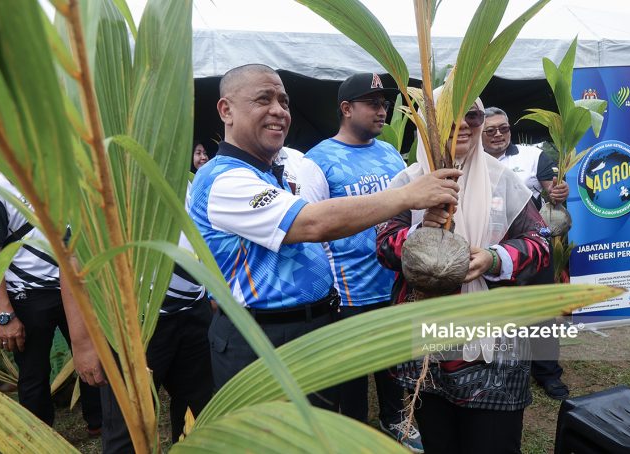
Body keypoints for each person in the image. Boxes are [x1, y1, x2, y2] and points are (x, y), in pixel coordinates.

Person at [188, 64, 462, 401]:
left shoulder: (283, 164)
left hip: (314, 324)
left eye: (284, 102)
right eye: (263, 99)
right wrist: (407, 195)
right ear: (226, 110)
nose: (279, 110)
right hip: (263, 336)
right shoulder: (223, 179)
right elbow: (312, 223)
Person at [377, 94, 551, 454]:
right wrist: (420, 233)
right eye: (448, 115)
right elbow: (384, 246)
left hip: (494, 343)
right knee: (440, 442)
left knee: (494, 443)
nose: (463, 124)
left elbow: (539, 243)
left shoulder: (503, 179)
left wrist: (493, 258)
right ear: (429, 123)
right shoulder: (408, 182)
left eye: (472, 115)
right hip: (428, 339)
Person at [297, 73, 422, 452]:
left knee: (395, 365)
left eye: (384, 103)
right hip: (347, 290)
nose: (382, 110)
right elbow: (310, 227)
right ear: (346, 108)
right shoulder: (317, 160)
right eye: (373, 103)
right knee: (349, 380)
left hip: (394, 281)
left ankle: (396, 419)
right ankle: (351, 435)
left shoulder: (387, 152)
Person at [0, 169, 102, 433]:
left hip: (73, 285)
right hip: (27, 296)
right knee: (33, 372)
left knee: (93, 351)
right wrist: (5, 316)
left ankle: (100, 423)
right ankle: (39, 437)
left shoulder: (55, 172)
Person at [97, 187, 214, 453]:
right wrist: (85, 344)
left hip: (193, 313)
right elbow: (75, 264)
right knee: (128, 425)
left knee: (198, 409)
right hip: (134, 323)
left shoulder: (186, 183)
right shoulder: (109, 177)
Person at [482, 106, 570, 400]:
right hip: (491, 249)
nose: (498, 135)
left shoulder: (532, 156)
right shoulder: (471, 161)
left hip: (532, 245)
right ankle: (502, 369)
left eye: (503, 128)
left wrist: (557, 193)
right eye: (490, 130)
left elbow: (551, 191)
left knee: (542, 311)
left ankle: (547, 372)